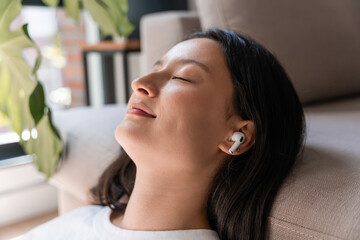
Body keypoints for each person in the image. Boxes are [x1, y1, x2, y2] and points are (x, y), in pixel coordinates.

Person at [21, 28, 305, 240]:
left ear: (237, 137)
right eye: (155, 69)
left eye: (181, 77)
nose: (140, 83)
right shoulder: (84, 219)